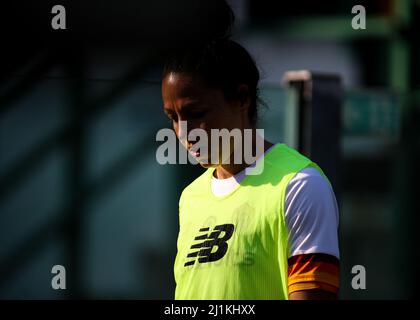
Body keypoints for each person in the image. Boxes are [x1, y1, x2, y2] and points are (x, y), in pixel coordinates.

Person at [161, 8, 339, 301]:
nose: (182, 131)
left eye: (195, 113)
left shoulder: (300, 185)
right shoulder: (190, 198)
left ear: (242, 98)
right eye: (172, 116)